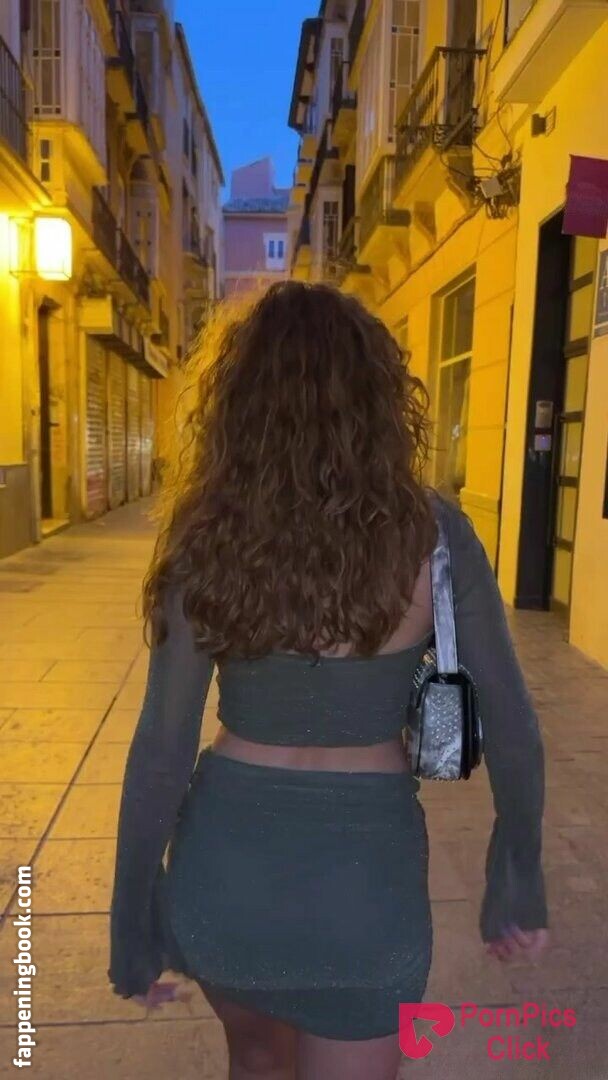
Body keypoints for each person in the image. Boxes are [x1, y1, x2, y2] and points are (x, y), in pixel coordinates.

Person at [108, 282, 549, 1080]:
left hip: (226, 870)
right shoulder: (434, 534)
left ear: (238, 406)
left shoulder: (204, 536)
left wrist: (134, 914)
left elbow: (162, 750)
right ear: (379, 399)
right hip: (364, 884)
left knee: (255, 1062)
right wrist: (515, 873)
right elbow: (514, 727)